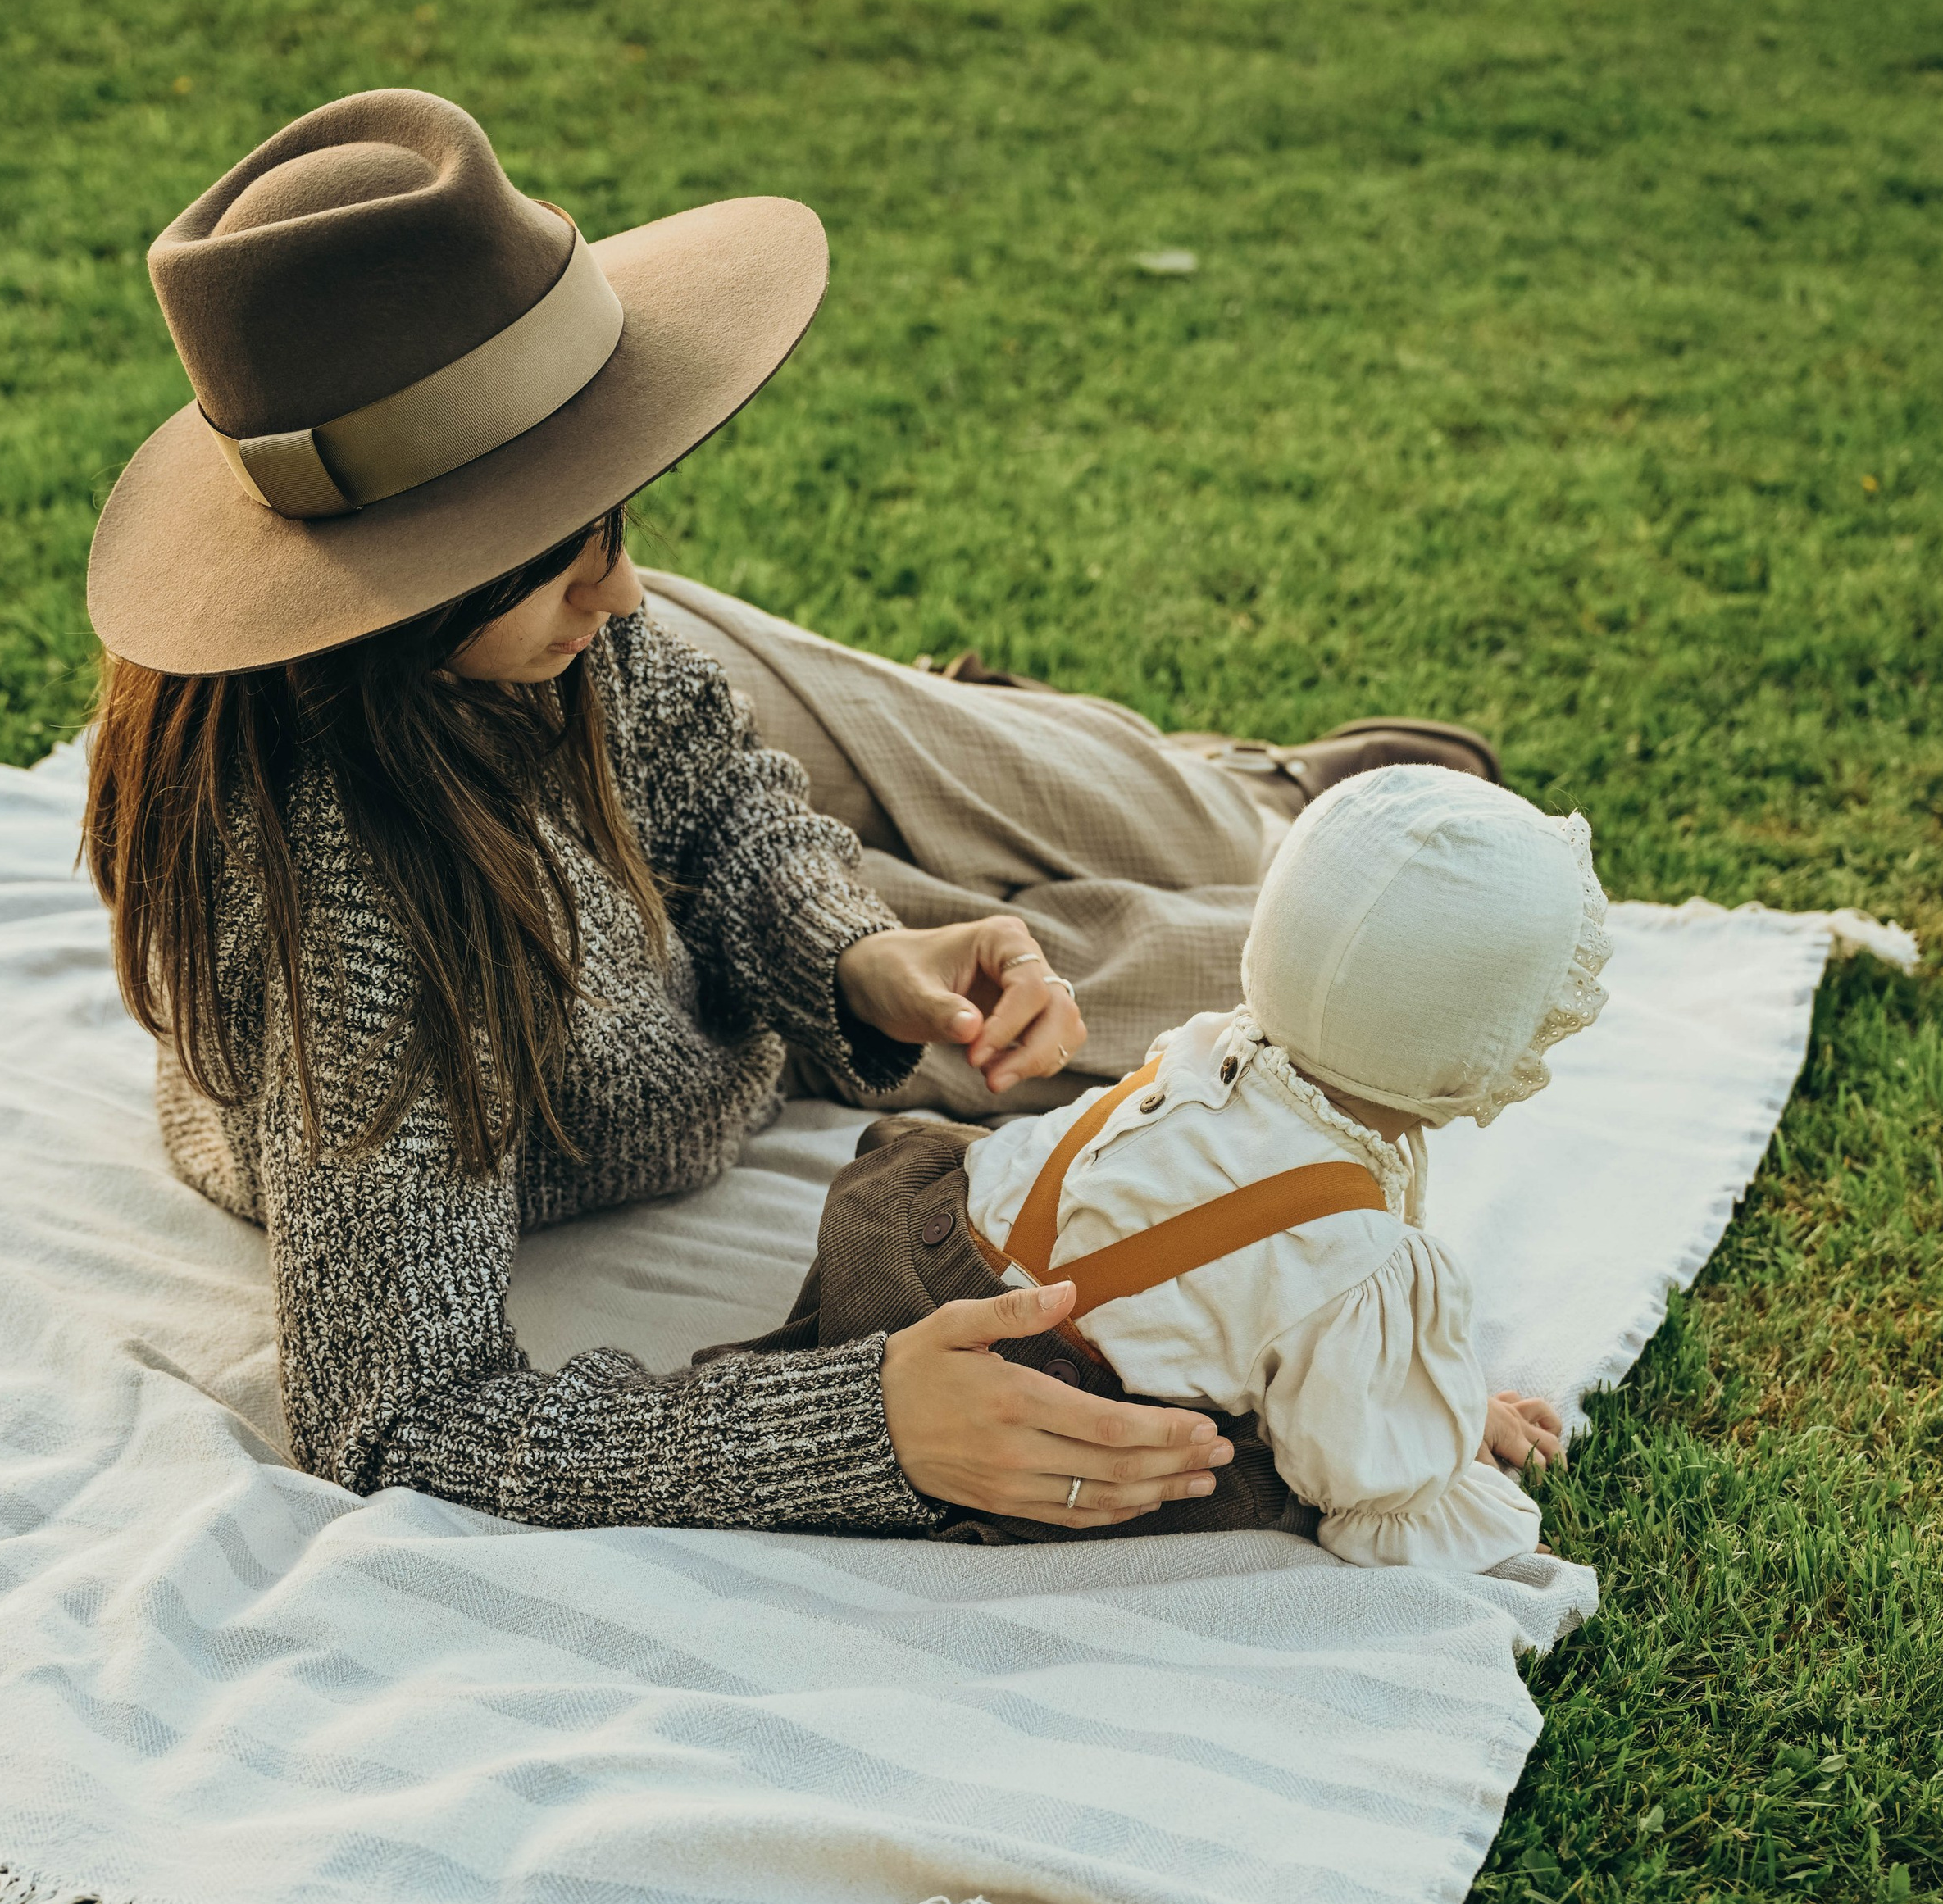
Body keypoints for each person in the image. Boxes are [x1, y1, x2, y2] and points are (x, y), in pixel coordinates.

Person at [81, 84, 1505, 1538]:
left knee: (1138, 830)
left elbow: (715, 790)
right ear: (392, 590)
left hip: (685, 908)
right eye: (561, 547)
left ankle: (1194, 783)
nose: (621, 586)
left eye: (610, 517)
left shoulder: (539, 640)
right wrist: (867, 1427)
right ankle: (1175, 797)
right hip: (635, 995)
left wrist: (858, 956)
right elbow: (397, 1416)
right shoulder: (365, 938)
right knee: (1249, 954)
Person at [730, 765, 1609, 1562]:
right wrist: (1438, 1434)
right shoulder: (1352, 1262)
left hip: (903, 1239)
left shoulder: (1208, 1051)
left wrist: (1430, 1389)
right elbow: (1363, 1462)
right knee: (1230, 1466)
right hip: (1023, 1392)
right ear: (1473, 1044)